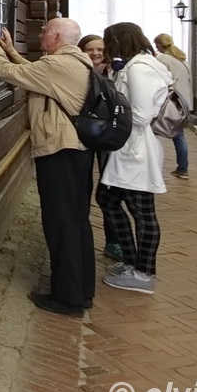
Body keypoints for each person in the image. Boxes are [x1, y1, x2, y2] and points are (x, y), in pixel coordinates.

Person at [0, 18, 95, 317]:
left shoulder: (59, 65)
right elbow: (34, 74)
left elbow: (9, 73)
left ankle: (67, 298)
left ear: (57, 36)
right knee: (76, 222)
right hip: (76, 151)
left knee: (61, 224)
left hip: (60, 151)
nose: (41, 34)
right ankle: (81, 290)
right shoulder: (72, 62)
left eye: (45, 30)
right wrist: (10, 49)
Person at [98, 22, 171, 295]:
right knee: (108, 199)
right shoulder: (132, 65)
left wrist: (111, 112)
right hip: (127, 147)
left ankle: (144, 273)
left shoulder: (140, 69)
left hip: (136, 149)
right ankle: (131, 261)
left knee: (143, 212)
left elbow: (140, 114)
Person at [80, 33, 123, 263]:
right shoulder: (77, 71)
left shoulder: (116, 72)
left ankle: (113, 240)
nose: (95, 54)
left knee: (109, 187)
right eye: (90, 50)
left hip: (107, 135)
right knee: (81, 185)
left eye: (99, 49)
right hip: (83, 133)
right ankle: (81, 234)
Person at [154, 33, 193, 179]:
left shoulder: (163, 59)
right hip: (184, 102)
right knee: (179, 135)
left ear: (158, 45)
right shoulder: (182, 60)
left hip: (170, 102)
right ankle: (182, 168)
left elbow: (158, 78)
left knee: (153, 131)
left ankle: (154, 166)